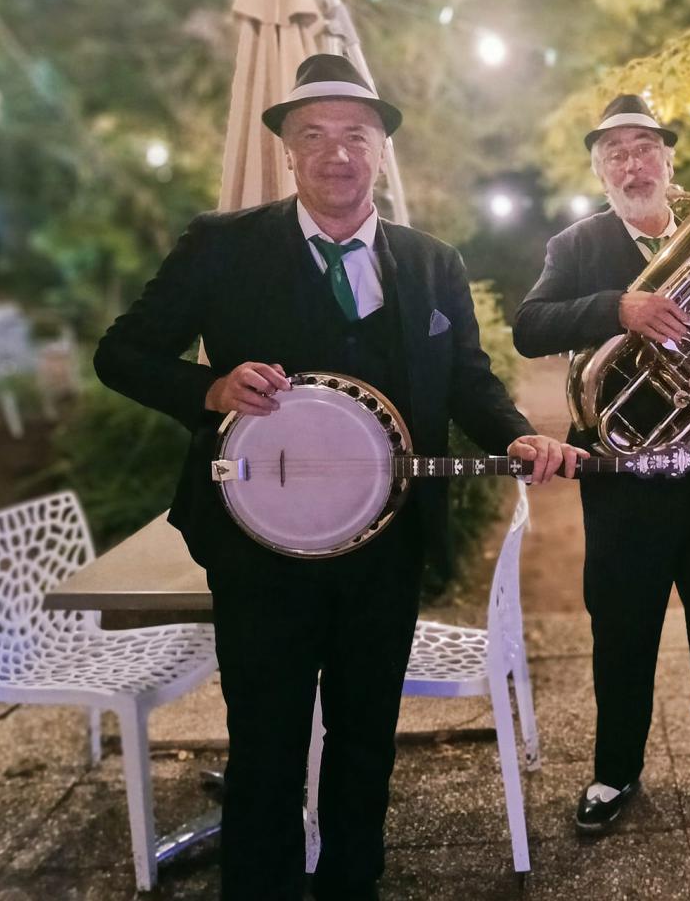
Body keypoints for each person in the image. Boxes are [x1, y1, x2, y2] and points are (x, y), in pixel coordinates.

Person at [94, 54, 581, 900]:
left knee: (365, 743)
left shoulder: (431, 262)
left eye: (356, 134)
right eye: (313, 134)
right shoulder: (223, 246)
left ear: (382, 149)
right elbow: (121, 353)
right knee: (266, 747)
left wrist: (517, 435)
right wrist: (208, 387)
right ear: (286, 150)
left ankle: (354, 884)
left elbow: (467, 381)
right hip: (256, 547)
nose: (337, 154)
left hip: (384, 550)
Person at [512, 94, 690, 833]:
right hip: (623, 475)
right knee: (623, 628)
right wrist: (619, 308)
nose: (632, 164)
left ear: (670, 161)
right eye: (615, 153)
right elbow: (529, 327)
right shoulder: (577, 245)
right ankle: (615, 771)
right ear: (598, 170)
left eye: (644, 149)